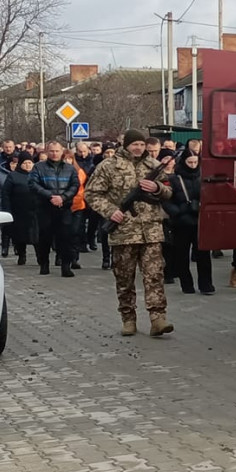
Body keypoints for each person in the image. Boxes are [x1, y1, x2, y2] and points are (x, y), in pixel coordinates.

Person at [85, 129, 172, 337]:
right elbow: (91, 193)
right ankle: (128, 318)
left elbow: (169, 191)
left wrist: (157, 187)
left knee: (154, 276)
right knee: (124, 278)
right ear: (126, 145)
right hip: (123, 231)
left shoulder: (152, 165)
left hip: (151, 231)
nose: (139, 148)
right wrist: (110, 211)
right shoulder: (109, 166)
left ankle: (157, 318)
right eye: (135, 144)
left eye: (142, 145)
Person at [162, 151, 213, 295]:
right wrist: (177, 211)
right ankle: (187, 285)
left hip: (200, 222)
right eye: (189, 162)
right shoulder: (174, 179)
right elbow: (166, 200)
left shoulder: (203, 177)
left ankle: (206, 285)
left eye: (195, 162)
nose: (192, 165)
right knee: (181, 256)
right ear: (183, 162)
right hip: (181, 224)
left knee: (203, 256)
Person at [32, 142, 80, 277]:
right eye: (51, 151)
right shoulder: (38, 167)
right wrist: (50, 196)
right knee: (44, 238)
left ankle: (66, 266)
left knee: (66, 238)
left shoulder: (70, 169)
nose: (54, 153)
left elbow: (75, 185)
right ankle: (44, 264)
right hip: (45, 207)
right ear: (47, 152)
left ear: (62, 152)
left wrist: (63, 197)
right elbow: (33, 184)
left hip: (64, 207)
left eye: (57, 151)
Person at [0, 154, 43, 265]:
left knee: (37, 236)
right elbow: (5, 194)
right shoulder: (13, 176)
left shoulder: (39, 174)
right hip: (19, 210)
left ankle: (40, 257)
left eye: (29, 163)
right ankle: (21, 255)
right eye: (25, 163)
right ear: (20, 164)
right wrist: (7, 209)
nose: (27, 165)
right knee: (20, 236)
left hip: (36, 210)